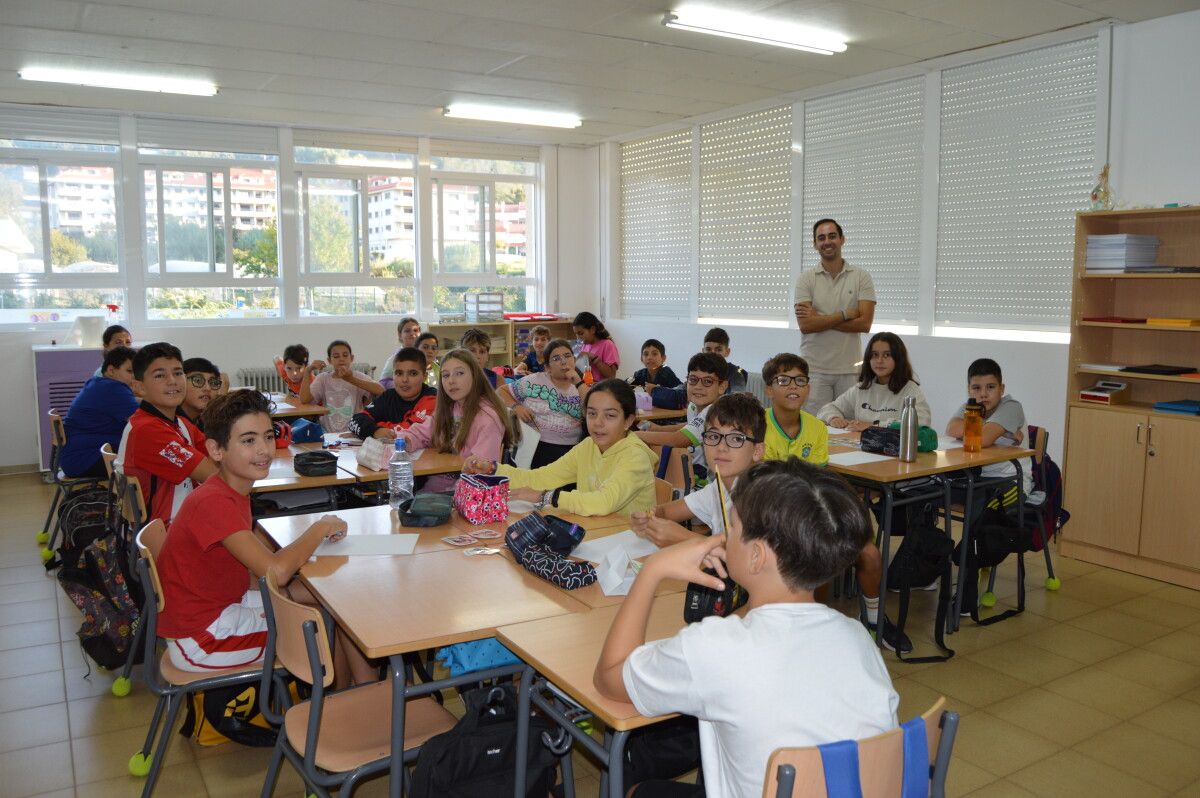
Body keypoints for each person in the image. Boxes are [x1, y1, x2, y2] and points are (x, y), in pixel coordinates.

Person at [594, 458, 898, 798]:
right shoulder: (855, 637)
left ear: (756, 557)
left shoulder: (715, 648)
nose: (722, 537)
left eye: (733, 526)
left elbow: (608, 678)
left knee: (640, 792)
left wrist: (653, 570)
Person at [155, 390, 375, 686]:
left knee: (332, 603)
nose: (264, 450)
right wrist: (319, 528)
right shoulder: (213, 501)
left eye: (268, 437)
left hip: (219, 607)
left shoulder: (229, 488)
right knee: (323, 625)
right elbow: (277, 572)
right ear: (216, 450)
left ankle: (360, 693)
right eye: (248, 440)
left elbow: (258, 562)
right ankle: (353, 699)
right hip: (203, 639)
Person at [762, 352, 909, 652]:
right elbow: (767, 487)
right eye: (783, 380)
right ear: (768, 389)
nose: (793, 386)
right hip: (773, 519)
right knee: (815, 556)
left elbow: (815, 480)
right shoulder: (758, 426)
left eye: (800, 380)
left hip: (810, 514)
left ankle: (873, 618)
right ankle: (812, 624)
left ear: (808, 387)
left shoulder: (816, 428)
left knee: (869, 553)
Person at [464, 379, 656, 517]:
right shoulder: (589, 446)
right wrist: (492, 469)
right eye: (592, 413)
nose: (598, 423)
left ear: (628, 421)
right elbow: (540, 478)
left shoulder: (635, 456)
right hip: (596, 533)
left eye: (610, 416)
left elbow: (603, 502)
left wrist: (546, 497)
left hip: (632, 545)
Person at [630, 393, 764, 546]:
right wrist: (649, 517)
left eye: (736, 439)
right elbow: (666, 512)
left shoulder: (761, 496)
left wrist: (682, 537)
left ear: (757, 451)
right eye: (713, 437)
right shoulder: (719, 488)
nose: (721, 447)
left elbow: (746, 557)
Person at [116, 342, 216, 526]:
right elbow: (213, 474)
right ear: (139, 387)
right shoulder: (148, 431)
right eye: (160, 375)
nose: (173, 381)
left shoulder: (180, 423)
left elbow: (218, 454)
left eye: (178, 373)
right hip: (169, 534)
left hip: (185, 521)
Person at [395, 349, 513, 494]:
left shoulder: (488, 418)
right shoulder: (451, 408)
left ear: (475, 376)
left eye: (459, 373)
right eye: (445, 375)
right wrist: (406, 440)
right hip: (436, 488)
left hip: (462, 495)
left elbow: (480, 472)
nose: (451, 380)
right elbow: (422, 432)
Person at [794, 219, 876, 414]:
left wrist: (820, 318)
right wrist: (845, 314)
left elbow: (865, 323)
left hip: (850, 370)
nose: (827, 242)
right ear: (815, 244)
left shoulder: (861, 277)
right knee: (815, 430)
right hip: (814, 370)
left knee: (847, 431)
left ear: (842, 239)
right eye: (821, 238)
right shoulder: (805, 279)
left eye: (832, 236)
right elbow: (806, 325)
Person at [636, 353, 728, 488]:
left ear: (722, 386)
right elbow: (690, 426)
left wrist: (635, 435)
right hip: (696, 474)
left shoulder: (714, 412)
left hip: (713, 485)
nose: (698, 386)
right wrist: (658, 429)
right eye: (693, 380)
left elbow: (677, 440)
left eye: (707, 381)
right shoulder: (693, 406)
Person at [945, 358, 1030, 503]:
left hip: (1011, 480)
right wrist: (998, 430)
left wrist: (970, 432)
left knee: (981, 504)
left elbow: (982, 439)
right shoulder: (970, 407)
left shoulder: (1011, 406)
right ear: (969, 390)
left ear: (1002, 389)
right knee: (931, 491)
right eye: (976, 388)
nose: (983, 394)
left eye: (990, 387)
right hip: (978, 477)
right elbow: (951, 429)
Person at [818, 332, 932, 430]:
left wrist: (872, 426)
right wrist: (834, 418)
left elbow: (921, 423)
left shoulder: (909, 389)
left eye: (887, 355)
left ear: (898, 358)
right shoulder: (861, 388)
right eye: (875, 355)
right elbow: (827, 409)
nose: (879, 360)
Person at [499, 338, 585, 468]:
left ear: (574, 359)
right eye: (556, 358)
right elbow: (501, 391)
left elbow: (593, 407)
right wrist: (516, 406)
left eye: (567, 356)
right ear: (547, 368)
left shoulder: (581, 385)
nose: (563, 361)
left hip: (571, 448)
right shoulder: (534, 381)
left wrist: (578, 382)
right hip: (537, 445)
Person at [62, 346, 139, 479]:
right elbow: (142, 423)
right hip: (86, 459)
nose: (135, 377)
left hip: (75, 457)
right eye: (130, 371)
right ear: (111, 370)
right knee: (150, 461)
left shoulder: (97, 383)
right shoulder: (114, 389)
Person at [349, 347, 437, 440]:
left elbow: (411, 431)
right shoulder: (388, 396)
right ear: (393, 376)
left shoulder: (432, 398)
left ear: (424, 377)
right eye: (399, 373)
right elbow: (354, 420)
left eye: (413, 373)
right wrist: (375, 431)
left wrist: (374, 428)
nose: (404, 379)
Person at [299, 340, 383, 434]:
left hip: (353, 434)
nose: (341, 359)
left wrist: (350, 379)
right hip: (328, 433)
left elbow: (381, 390)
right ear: (329, 360)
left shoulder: (358, 376)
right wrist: (307, 371)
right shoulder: (323, 378)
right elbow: (304, 399)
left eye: (345, 355)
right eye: (336, 356)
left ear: (351, 358)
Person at [179, 357, 227, 433]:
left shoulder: (203, 421)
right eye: (198, 380)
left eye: (213, 382)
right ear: (180, 382)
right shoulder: (173, 423)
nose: (208, 388)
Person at [573, 311, 619, 382]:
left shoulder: (607, 344)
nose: (578, 338)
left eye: (581, 333)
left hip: (602, 388)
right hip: (587, 386)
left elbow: (611, 376)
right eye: (576, 334)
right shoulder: (584, 345)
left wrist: (594, 358)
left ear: (592, 330)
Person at [379, 316, 422, 390]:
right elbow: (383, 383)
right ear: (400, 335)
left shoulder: (424, 355)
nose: (412, 333)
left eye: (415, 330)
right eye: (407, 331)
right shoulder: (395, 358)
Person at [702, 327, 748, 394]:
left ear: (727, 352)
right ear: (703, 351)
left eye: (718, 350)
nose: (713, 353)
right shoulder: (698, 370)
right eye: (708, 349)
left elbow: (737, 398)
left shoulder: (736, 372)